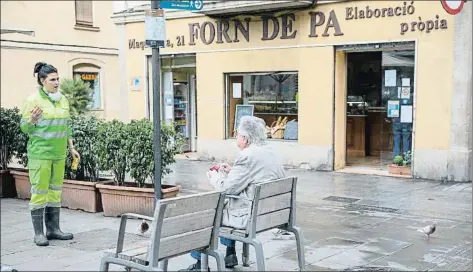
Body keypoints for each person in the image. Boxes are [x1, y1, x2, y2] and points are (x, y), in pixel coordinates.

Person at [180, 116, 286, 271]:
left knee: (206, 211)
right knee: (227, 205)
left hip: (249, 217)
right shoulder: (271, 151)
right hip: (270, 213)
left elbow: (226, 189)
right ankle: (230, 254)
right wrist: (232, 172)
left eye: (237, 134)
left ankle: (199, 262)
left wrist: (214, 177)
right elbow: (252, 177)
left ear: (245, 138)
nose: (236, 136)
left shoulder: (247, 155)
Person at [20, 62, 80, 246]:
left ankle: (53, 229)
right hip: (41, 154)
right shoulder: (33, 100)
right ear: (42, 81)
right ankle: (39, 234)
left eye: (57, 79)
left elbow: (66, 126)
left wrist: (71, 148)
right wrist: (31, 119)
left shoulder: (62, 99)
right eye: (52, 80)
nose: (56, 83)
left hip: (59, 154)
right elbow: (24, 128)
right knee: (39, 192)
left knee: (55, 192)